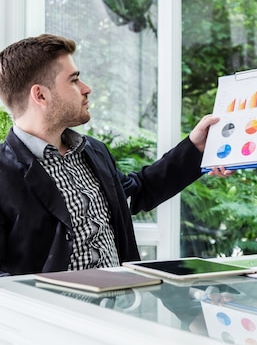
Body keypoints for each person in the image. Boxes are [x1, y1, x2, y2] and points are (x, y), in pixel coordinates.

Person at [0, 33, 231, 276]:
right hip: (52, 312)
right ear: (41, 95)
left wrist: (195, 147)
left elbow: (137, 193)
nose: (86, 88)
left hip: (118, 308)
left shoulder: (93, 151)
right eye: (74, 80)